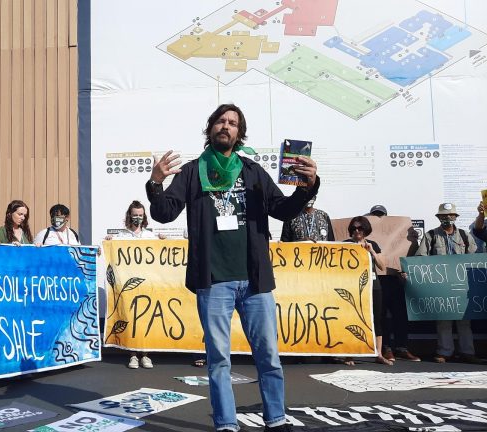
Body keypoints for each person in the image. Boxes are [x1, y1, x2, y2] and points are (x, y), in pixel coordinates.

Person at [147, 103, 318, 432]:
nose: (226, 126)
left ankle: (276, 419)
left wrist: (307, 188)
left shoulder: (252, 172)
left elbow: (282, 210)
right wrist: (155, 184)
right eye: (221, 121)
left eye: (233, 123)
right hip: (213, 282)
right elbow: (165, 212)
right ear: (210, 127)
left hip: (255, 281)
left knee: (268, 357)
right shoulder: (192, 171)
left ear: (240, 133)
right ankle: (226, 424)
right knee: (219, 361)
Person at [414, 203, 481, 364]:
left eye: (450, 215)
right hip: (440, 285)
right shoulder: (430, 236)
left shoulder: (465, 236)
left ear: (456, 217)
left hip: (462, 285)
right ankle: (445, 352)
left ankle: (468, 352)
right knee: (443, 321)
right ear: (438, 218)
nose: (447, 219)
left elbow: (475, 258)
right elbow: (420, 258)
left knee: (465, 320)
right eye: (443, 216)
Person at [104, 200, 164, 370]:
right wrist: (109, 241)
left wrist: (162, 242)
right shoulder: (121, 236)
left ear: (144, 216)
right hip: (128, 285)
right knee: (130, 318)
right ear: (129, 215)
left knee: (145, 319)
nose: (137, 217)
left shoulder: (150, 235)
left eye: (140, 215)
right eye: (135, 215)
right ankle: (132, 355)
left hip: (147, 284)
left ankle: (145, 355)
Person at [368, 204, 421, 363]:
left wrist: (411, 241)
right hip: (377, 279)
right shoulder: (367, 238)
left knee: (400, 313)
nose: (379, 218)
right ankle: (386, 348)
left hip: (395, 278)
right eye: (375, 215)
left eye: (381, 215)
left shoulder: (398, 230)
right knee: (381, 315)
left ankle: (402, 347)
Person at [344, 216, 392, 366]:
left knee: (376, 318)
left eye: (360, 228)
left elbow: (383, 266)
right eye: (354, 228)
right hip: (353, 287)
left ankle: (378, 353)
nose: (357, 231)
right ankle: (349, 354)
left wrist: (372, 251)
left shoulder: (373, 245)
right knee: (352, 318)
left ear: (366, 230)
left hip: (373, 285)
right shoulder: (345, 245)